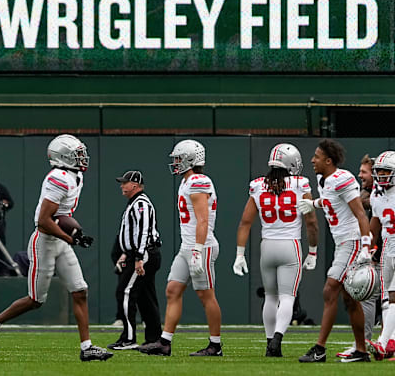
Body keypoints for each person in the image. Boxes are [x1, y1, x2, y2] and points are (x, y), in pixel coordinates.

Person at [0, 134, 113, 362]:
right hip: (44, 241)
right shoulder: (58, 178)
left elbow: (62, 216)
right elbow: (44, 220)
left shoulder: (75, 176)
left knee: (80, 291)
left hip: (59, 240)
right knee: (36, 300)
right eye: (76, 155)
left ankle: (87, 347)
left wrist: (75, 235)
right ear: (63, 157)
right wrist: (69, 237)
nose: (82, 158)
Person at [232, 143, 318, 357]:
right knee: (287, 297)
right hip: (290, 245)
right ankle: (278, 338)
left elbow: (245, 222)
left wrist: (240, 254)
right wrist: (313, 250)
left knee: (270, 297)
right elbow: (311, 222)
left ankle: (269, 342)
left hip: (267, 246)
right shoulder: (300, 184)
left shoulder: (258, 185)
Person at [139, 139, 223, 357]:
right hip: (187, 246)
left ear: (191, 159)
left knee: (206, 295)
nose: (175, 163)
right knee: (172, 290)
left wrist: (197, 250)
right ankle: (164, 343)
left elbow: (203, 220)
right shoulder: (186, 182)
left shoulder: (198, 181)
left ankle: (215, 345)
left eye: (178, 159)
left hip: (200, 247)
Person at [296, 139, 373, 363]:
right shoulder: (325, 181)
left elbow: (360, 213)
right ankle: (361, 350)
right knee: (350, 299)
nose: (312, 160)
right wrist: (314, 204)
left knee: (330, 290)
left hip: (352, 240)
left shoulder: (342, 179)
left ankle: (319, 348)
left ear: (329, 161)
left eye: (317, 157)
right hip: (342, 242)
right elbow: (330, 200)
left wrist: (366, 247)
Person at [108, 170, 162, 351]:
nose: (122, 186)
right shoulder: (134, 203)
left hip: (144, 254)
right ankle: (154, 339)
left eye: (125, 183)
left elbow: (143, 230)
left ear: (135, 185)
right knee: (146, 297)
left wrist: (139, 257)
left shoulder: (141, 203)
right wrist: (126, 253)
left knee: (125, 292)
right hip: (139, 253)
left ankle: (128, 338)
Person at [340, 154, 384, 358]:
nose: (360, 175)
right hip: (377, 252)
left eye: (364, 171)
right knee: (369, 295)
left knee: (387, 299)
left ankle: (383, 342)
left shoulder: (382, 194)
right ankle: (367, 343)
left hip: (387, 252)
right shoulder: (372, 193)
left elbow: (366, 205)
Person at [364, 151, 395, 360]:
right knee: (386, 299)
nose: (382, 175)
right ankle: (388, 342)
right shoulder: (377, 194)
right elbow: (374, 226)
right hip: (387, 248)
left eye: (387, 171)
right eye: (380, 171)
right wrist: (366, 249)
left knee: (394, 297)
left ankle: (385, 342)